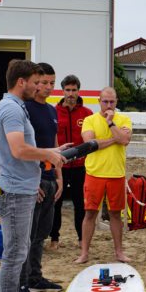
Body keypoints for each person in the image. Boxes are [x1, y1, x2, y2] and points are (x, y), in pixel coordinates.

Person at [0, 59, 65, 292]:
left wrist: (53, 150)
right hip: (13, 191)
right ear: (21, 82)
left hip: (21, 187)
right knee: (14, 255)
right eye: (36, 81)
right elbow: (19, 150)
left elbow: (23, 151)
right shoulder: (11, 108)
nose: (39, 86)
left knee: (18, 252)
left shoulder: (14, 106)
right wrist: (47, 154)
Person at [18, 63, 63, 292]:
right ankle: (23, 283)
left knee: (41, 234)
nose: (47, 87)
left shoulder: (51, 111)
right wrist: (30, 180)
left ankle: (36, 277)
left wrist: (59, 177)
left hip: (49, 179)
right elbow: (23, 148)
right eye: (44, 82)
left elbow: (53, 144)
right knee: (27, 235)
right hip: (32, 179)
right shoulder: (25, 109)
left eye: (51, 83)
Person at [74, 87, 132, 264]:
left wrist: (110, 123)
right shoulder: (90, 120)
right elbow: (90, 144)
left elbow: (125, 141)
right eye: (105, 101)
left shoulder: (124, 119)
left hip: (116, 173)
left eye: (112, 102)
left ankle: (119, 252)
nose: (108, 105)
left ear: (116, 102)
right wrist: (116, 138)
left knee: (116, 214)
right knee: (90, 213)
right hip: (94, 173)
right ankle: (84, 253)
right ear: (99, 101)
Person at [50, 74, 93, 250]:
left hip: (80, 167)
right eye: (67, 90)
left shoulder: (87, 113)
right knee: (55, 203)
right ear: (62, 91)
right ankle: (54, 239)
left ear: (78, 91)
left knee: (80, 204)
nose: (71, 93)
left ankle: (81, 239)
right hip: (59, 166)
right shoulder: (53, 111)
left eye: (74, 90)